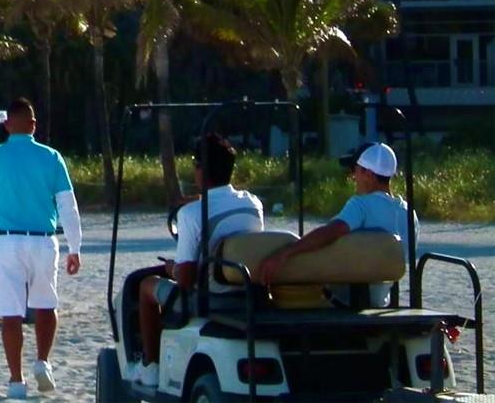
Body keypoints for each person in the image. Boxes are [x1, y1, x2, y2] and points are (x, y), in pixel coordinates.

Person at [0, 98, 82, 399]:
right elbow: (68, 206)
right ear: (33, 125)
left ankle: (17, 380)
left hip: (6, 242)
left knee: (11, 314)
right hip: (42, 240)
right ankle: (42, 361)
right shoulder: (51, 157)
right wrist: (75, 247)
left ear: (6, 125)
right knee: (46, 305)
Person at [131, 133, 264, 389]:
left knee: (146, 285)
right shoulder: (253, 203)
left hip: (210, 296)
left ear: (201, 170)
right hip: (247, 290)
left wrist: (171, 268)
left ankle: (150, 366)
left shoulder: (191, 215)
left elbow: (185, 279)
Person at [256, 142, 415, 307]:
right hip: (382, 300)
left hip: (345, 297)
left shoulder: (360, 205)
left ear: (368, 174)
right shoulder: (409, 213)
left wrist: (284, 253)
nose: (352, 177)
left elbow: (330, 233)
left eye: (354, 170)